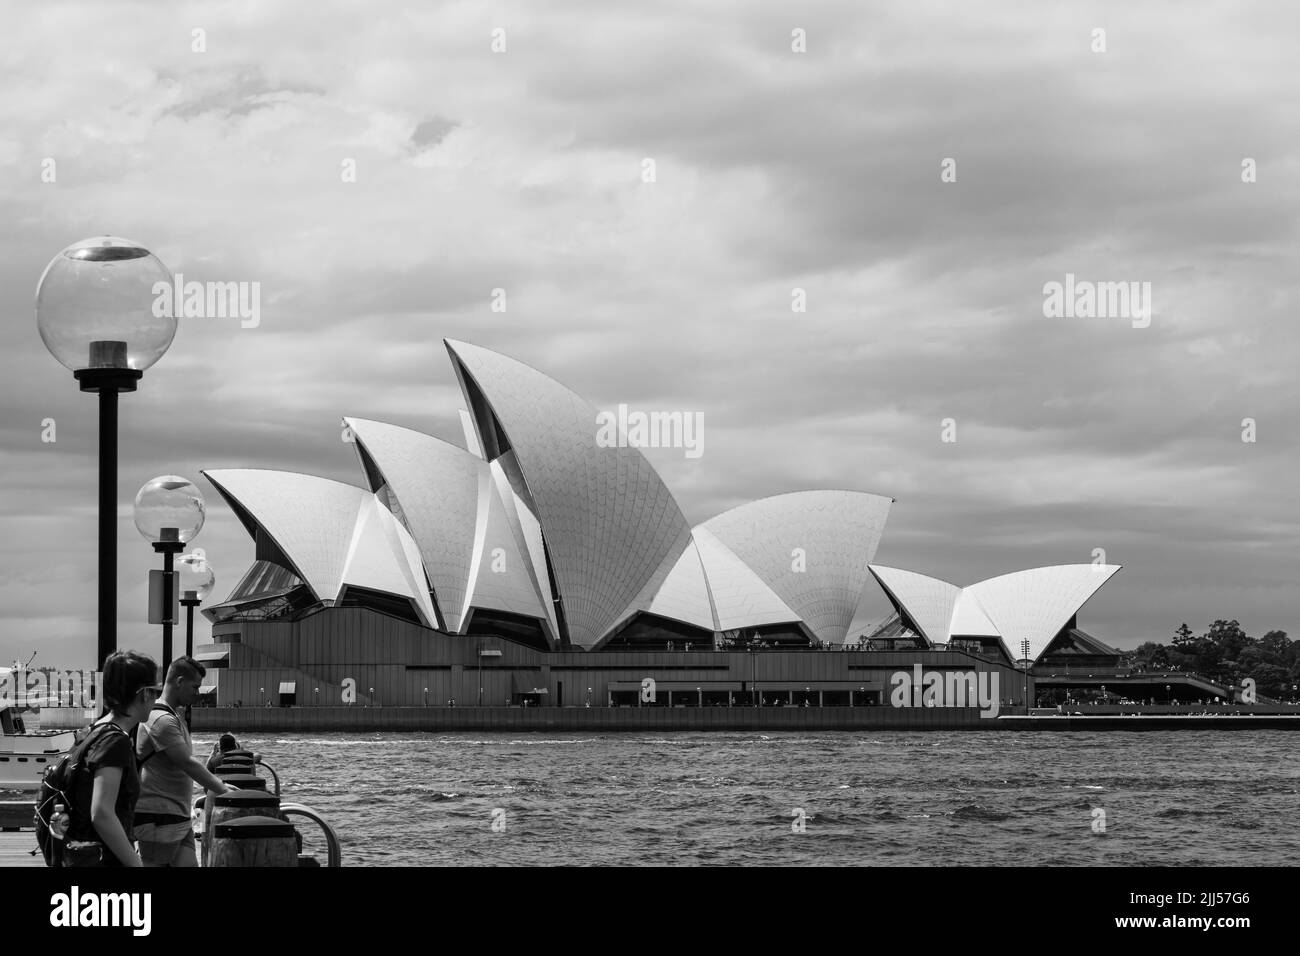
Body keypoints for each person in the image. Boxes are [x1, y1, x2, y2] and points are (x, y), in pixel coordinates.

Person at [65, 650, 161, 867]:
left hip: (82, 854)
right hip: (104, 860)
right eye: (156, 691)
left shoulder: (94, 731)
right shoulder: (115, 742)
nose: (157, 698)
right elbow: (102, 814)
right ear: (144, 693)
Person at [135, 656, 234, 866]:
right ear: (179, 681)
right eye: (195, 687)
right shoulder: (161, 719)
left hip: (177, 816)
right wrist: (225, 791)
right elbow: (187, 763)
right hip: (158, 817)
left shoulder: (173, 715)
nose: (197, 693)